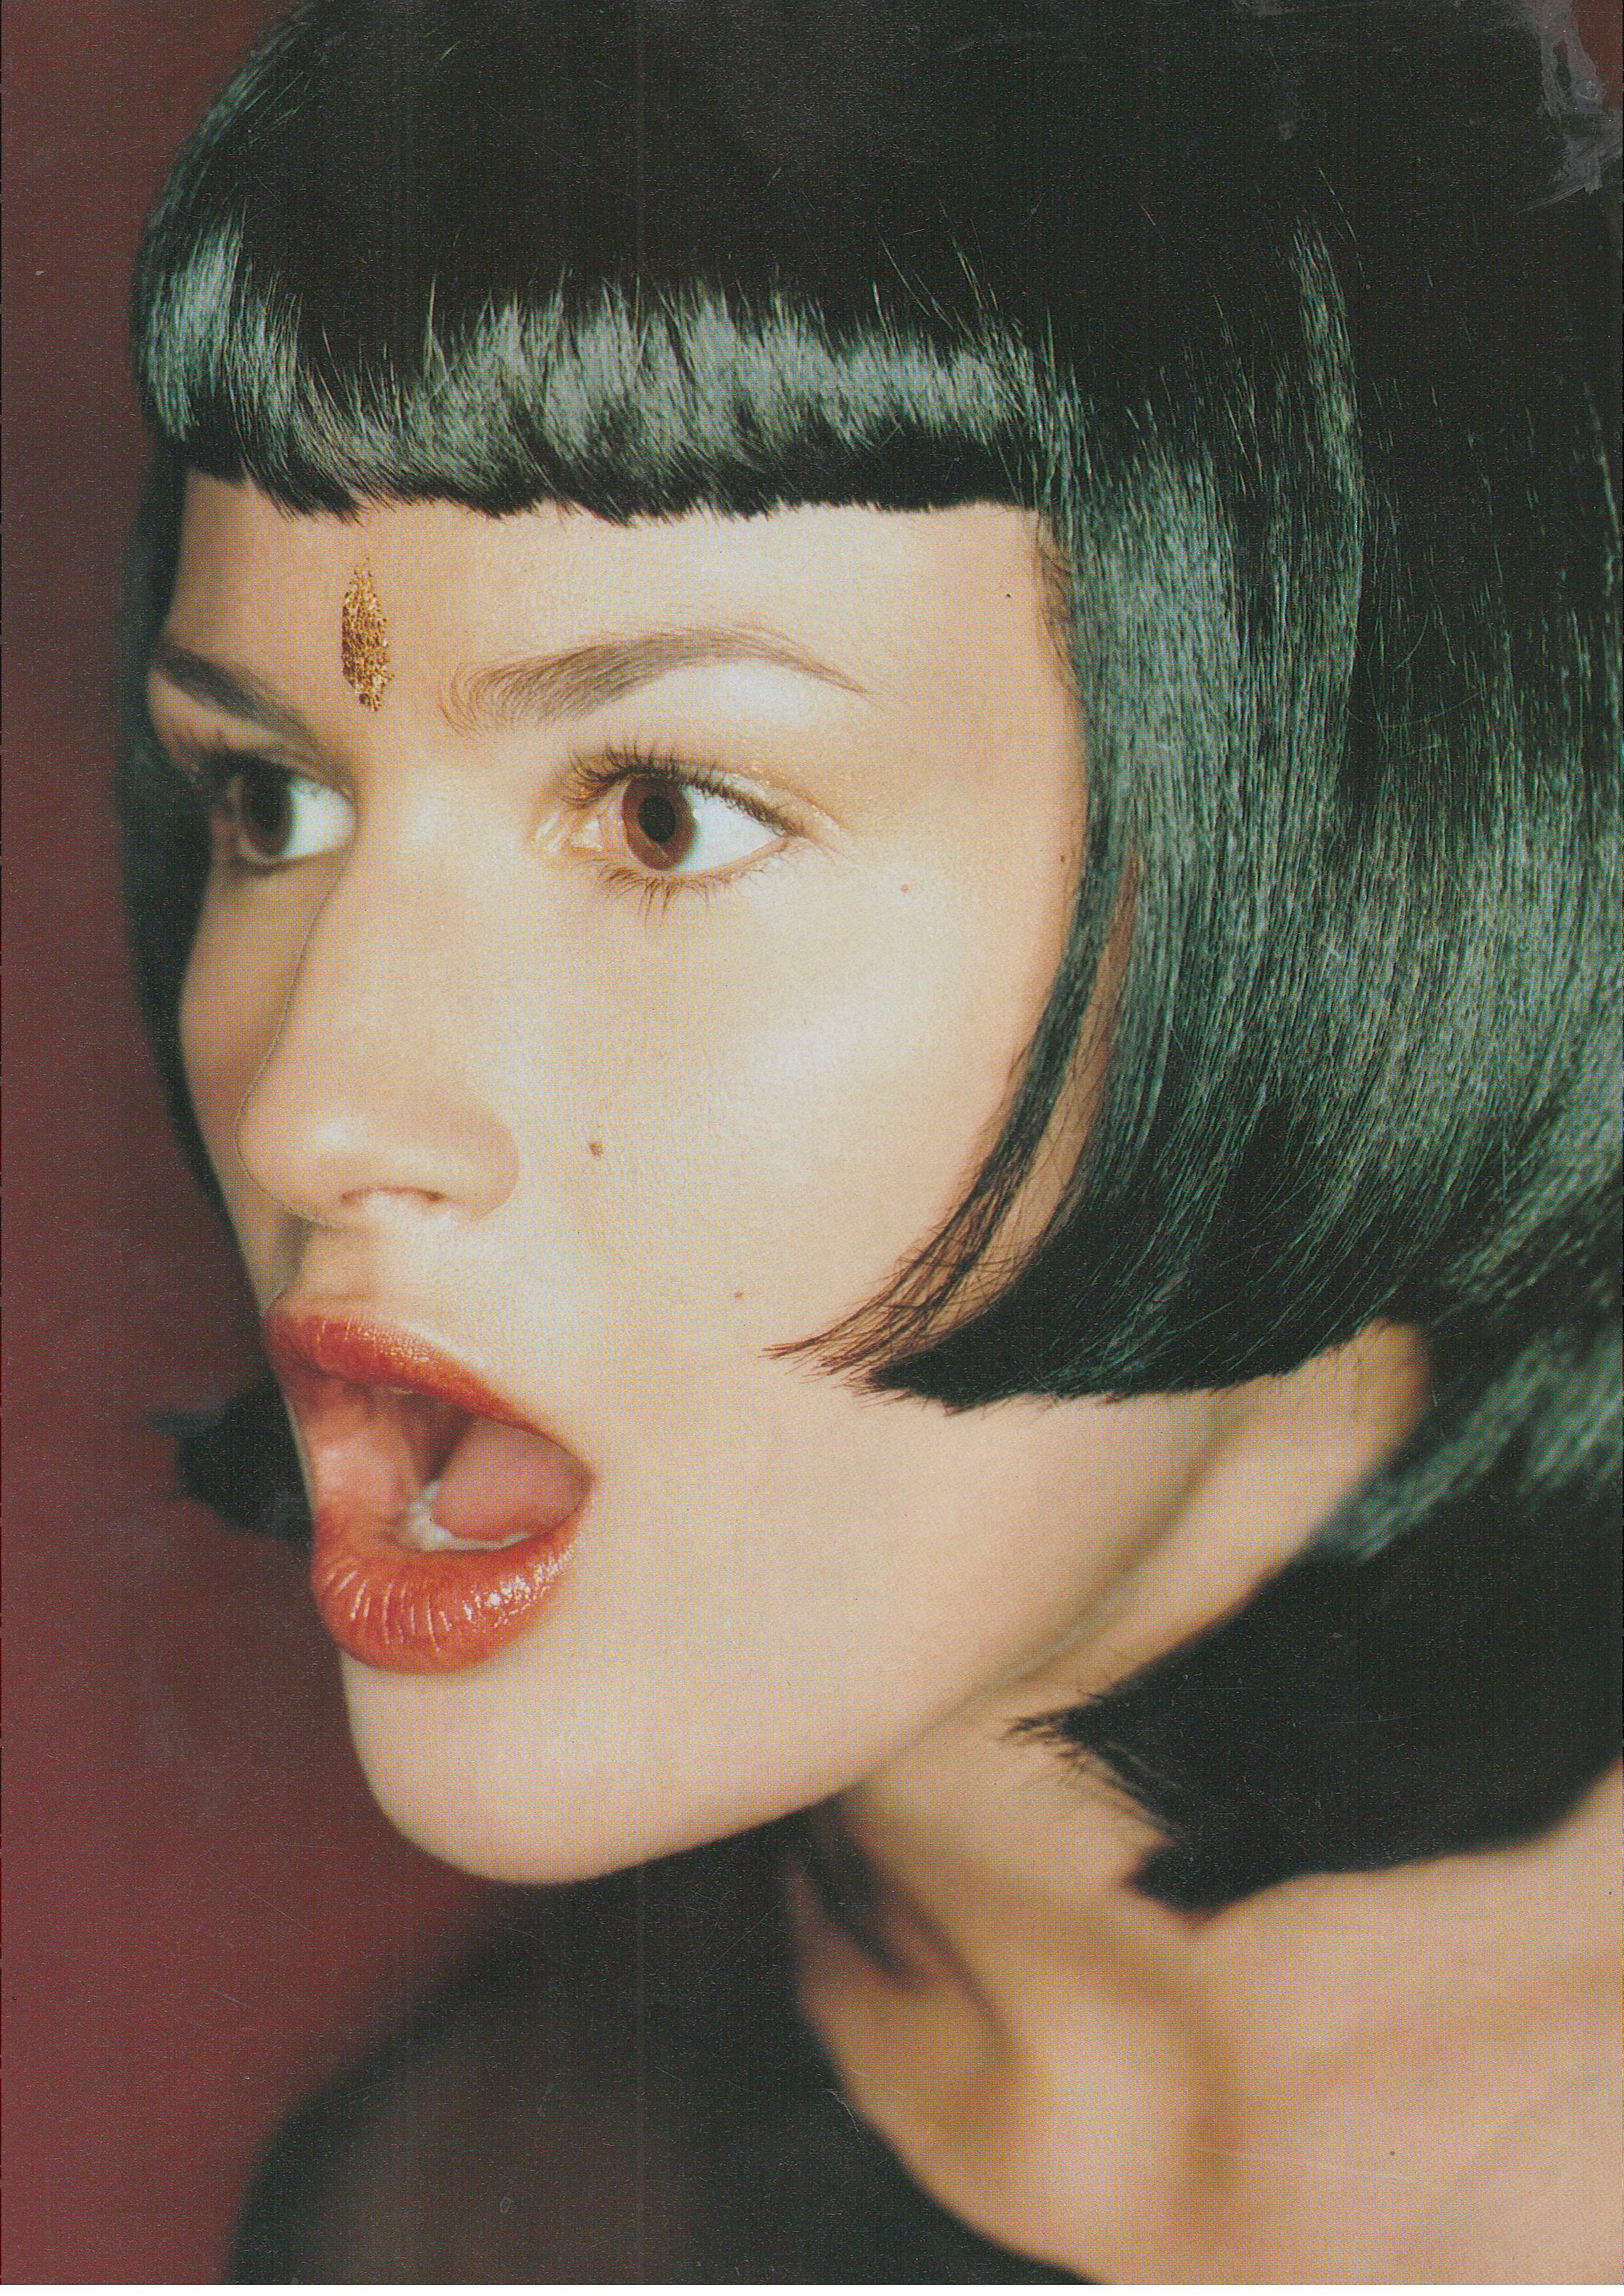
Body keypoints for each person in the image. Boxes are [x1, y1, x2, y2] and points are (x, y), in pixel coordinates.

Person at [119, 0, 1620, 2277]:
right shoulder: (465, 2214)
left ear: (1380, 855)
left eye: (662, 811)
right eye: (270, 802)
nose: (318, 1106)